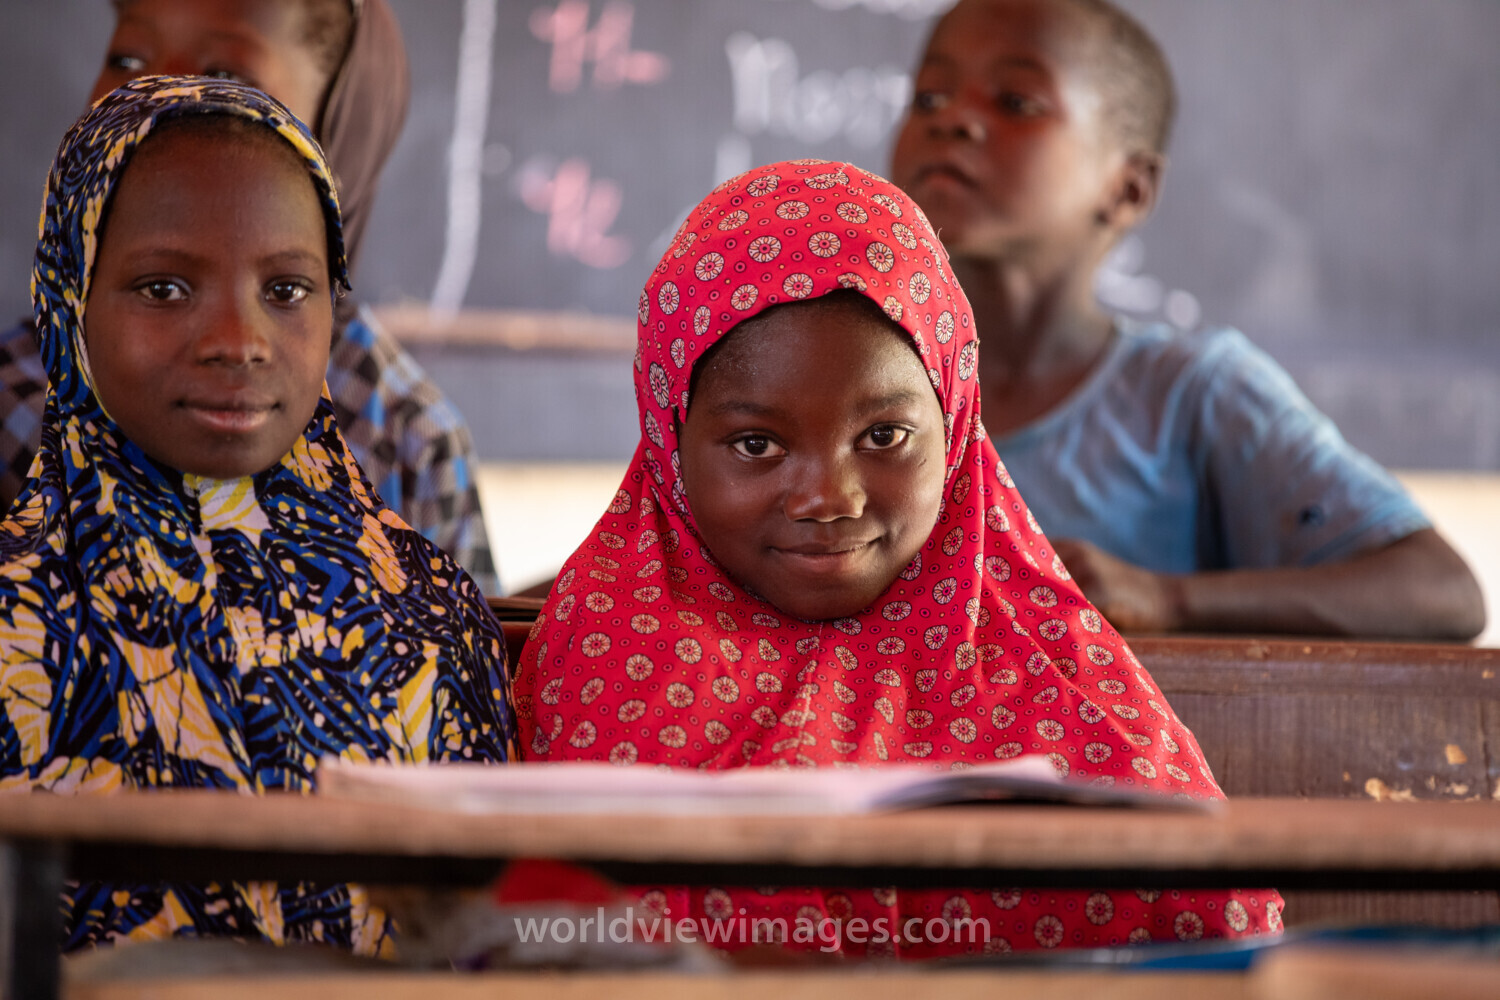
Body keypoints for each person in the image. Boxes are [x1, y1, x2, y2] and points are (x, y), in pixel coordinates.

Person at [514, 159, 1281, 958]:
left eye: (883, 437)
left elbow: (1212, 928)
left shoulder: (1054, 670)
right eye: (756, 444)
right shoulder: (603, 659)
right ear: (671, 442)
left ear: (952, 418)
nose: (829, 498)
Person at [0, 76, 517, 954]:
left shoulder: (431, 612)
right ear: (70, 303)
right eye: (164, 289)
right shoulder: (19, 617)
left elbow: (490, 926)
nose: (238, 339)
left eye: (286, 290)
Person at [889, 0, 1485, 639]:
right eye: (929, 98)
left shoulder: (1189, 395)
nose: (953, 121)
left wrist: (1170, 600)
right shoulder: (843, 377)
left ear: (1128, 189)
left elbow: (1442, 592)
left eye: (1017, 102)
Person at [0, 0, 498, 592]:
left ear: (341, 133)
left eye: (227, 76)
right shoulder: (14, 404)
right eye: (129, 57)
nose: (157, 94)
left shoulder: (407, 444)